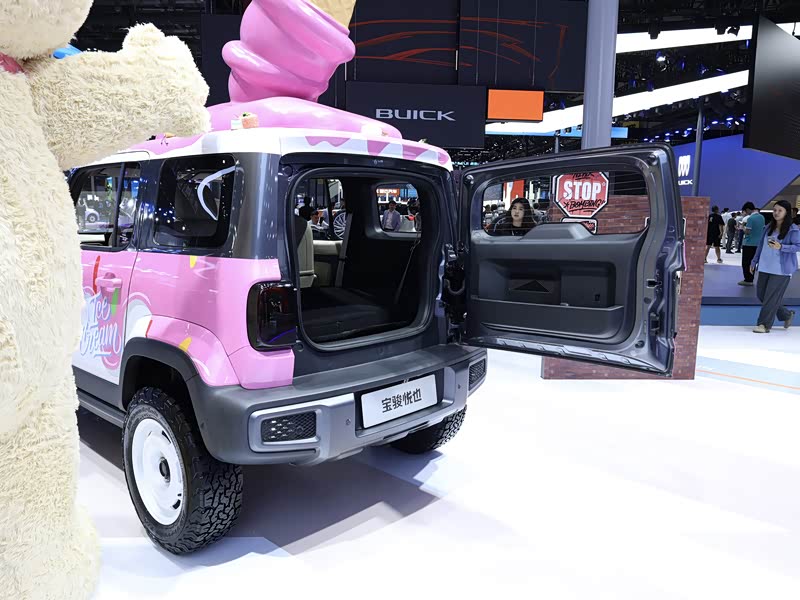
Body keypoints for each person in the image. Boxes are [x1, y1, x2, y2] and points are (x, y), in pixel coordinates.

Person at [750, 199, 799, 333]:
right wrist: (754, 261)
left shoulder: (793, 230)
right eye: (775, 210)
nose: (776, 213)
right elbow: (761, 245)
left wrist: (781, 247)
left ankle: (764, 325)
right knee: (761, 295)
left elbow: (798, 246)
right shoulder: (768, 227)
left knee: (770, 297)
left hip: (781, 270)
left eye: (780, 210)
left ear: (786, 212)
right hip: (765, 266)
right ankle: (786, 315)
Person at [738, 202, 764, 286]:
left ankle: (748, 280)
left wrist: (742, 227)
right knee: (753, 262)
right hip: (758, 243)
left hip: (749, 243)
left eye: (745, 211)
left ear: (748, 209)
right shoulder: (761, 217)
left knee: (746, 262)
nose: (746, 213)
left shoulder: (750, 219)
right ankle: (751, 278)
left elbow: (748, 232)